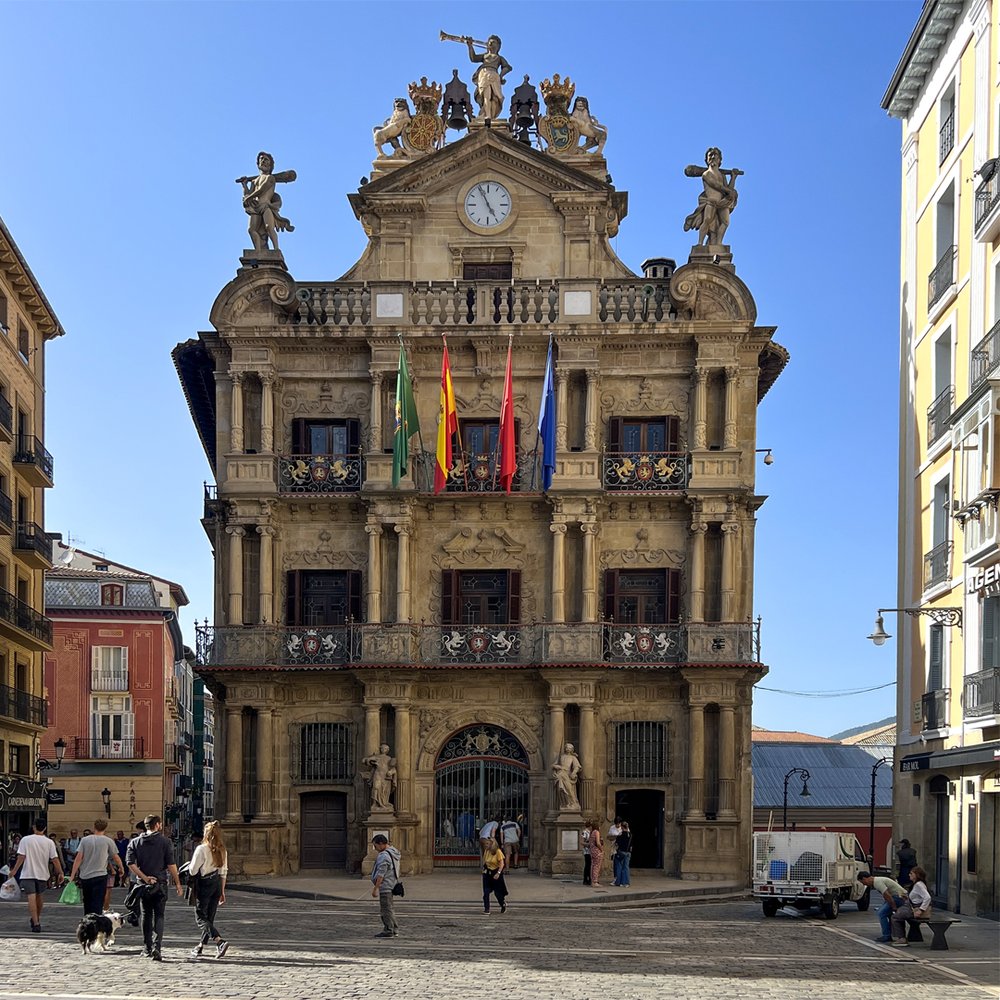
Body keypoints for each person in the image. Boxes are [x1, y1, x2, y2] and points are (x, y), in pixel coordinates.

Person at [126, 814, 183, 961]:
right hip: (160, 883)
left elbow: (130, 863)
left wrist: (144, 877)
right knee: (159, 915)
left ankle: (147, 947)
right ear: (157, 825)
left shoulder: (135, 842)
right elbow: (171, 865)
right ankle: (157, 947)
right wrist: (177, 883)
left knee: (146, 915)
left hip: (143, 884)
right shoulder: (165, 842)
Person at [9, 818, 65, 932]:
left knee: (31, 897)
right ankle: (36, 918)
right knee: (39, 897)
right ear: (44, 828)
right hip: (43, 873)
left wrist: (14, 870)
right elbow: (54, 859)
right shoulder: (49, 842)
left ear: (34, 827)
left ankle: (35, 922)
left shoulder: (26, 840)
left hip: (28, 873)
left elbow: (21, 857)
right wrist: (60, 872)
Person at [237, 151, 297, 252]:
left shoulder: (270, 178)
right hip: (255, 208)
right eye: (261, 159)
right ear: (258, 163)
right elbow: (248, 194)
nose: (263, 161)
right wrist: (244, 185)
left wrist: (249, 197)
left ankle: (276, 249)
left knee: (269, 227)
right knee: (251, 230)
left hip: (265, 206)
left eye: (266, 159)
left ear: (270, 165)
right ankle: (259, 251)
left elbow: (261, 190)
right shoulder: (254, 181)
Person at [683, 147, 741, 246]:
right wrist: (728, 191)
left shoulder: (722, 175)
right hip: (711, 201)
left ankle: (718, 243)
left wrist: (733, 177)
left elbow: (729, 190)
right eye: (710, 155)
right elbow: (716, 185)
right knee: (707, 220)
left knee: (725, 222)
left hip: (722, 203)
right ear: (706, 160)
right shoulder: (706, 173)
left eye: (715, 155)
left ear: (719, 160)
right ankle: (700, 243)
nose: (713, 157)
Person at [188, 821, 229, 960]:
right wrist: (222, 891)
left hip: (204, 883)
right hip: (216, 883)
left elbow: (193, 871)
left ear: (206, 834)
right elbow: (223, 872)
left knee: (200, 917)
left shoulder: (202, 849)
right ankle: (200, 946)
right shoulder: (222, 850)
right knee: (209, 917)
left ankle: (219, 941)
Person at [70, 818, 124, 917]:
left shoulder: (85, 840)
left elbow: (78, 858)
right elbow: (116, 857)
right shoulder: (108, 841)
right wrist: (121, 868)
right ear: (105, 828)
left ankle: (87, 921)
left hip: (85, 876)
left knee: (87, 901)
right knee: (98, 902)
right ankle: (96, 923)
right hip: (100, 875)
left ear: (94, 827)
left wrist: (72, 874)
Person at [463, 35, 512, 121]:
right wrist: (470, 46)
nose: (490, 43)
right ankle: (487, 115)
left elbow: (507, 67)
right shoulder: (485, 56)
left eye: (493, 42)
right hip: (484, 74)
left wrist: (501, 76)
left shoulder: (499, 58)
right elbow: (473, 58)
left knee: (497, 97)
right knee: (487, 95)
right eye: (489, 42)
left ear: (498, 46)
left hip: (494, 75)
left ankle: (491, 114)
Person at [858, 871, 909, 943]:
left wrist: (893, 907)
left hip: (898, 897)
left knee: (881, 913)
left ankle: (886, 935)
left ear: (864, 879)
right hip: (900, 895)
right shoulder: (877, 880)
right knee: (887, 913)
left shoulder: (877, 882)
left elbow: (887, 895)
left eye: (863, 882)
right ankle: (890, 933)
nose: (864, 884)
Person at [891, 865, 932, 947]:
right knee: (899, 912)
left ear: (917, 875)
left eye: (911, 873)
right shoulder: (917, 884)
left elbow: (927, 897)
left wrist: (921, 910)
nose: (909, 875)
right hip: (912, 907)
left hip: (915, 909)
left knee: (895, 917)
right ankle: (907, 936)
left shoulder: (918, 885)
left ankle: (901, 938)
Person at [370, 834, 401, 938]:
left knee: (385, 909)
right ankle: (394, 929)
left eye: (375, 846)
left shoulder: (384, 855)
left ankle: (389, 930)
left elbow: (381, 874)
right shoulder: (393, 852)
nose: (375, 849)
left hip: (386, 885)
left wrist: (376, 888)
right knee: (390, 908)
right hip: (392, 884)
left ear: (381, 844)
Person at [362, 744, 397, 810]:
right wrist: (370, 760)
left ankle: (384, 803)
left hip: (386, 776)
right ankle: (375, 803)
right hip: (377, 775)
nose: (383, 749)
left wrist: (391, 772)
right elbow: (364, 761)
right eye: (382, 748)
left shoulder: (389, 758)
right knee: (376, 788)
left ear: (387, 750)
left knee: (385, 790)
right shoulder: (376, 757)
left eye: (385, 748)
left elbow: (393, 768)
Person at [481, 837, 508, 913]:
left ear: (492, 844)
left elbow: (502, 864)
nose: (485, 845)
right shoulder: (486, 851)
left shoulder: (498, 852)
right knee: (486, 892)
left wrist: (498, 873)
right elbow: (485, 861)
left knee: (498, 893)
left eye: (487, 844)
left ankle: (502, 904)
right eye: (485, 843)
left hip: (496, 872)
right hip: (488, 872)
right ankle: (487, 909)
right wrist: (484, 869)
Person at [551, 743, 582, 810]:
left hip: (568, 775)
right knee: (561, 789)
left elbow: (577, 766)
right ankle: (565, 803)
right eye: (567, 747)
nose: (568, 749)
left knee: (569, 789)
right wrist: (558, 766)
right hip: (561, 773)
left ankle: (573, 803)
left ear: (572, 750)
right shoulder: (561, 756)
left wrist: (573, 773)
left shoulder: (573, 757)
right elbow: (553, 765)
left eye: (570, 748)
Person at [613, 821, 633, 887]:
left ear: (622, 827)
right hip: (628, 853)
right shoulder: (630, 835)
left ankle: (619, 882)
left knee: (619, 867)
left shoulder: (620, 835)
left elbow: (616, 844)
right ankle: (626, 882)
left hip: (621, 852)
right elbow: (631, 845)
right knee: (626, 867)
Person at [588, 821, 605, 887]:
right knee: (597, 866)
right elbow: (598, 843)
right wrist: (601, 849)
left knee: (593, 865)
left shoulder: (591, 832)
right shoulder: (597, 832)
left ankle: (592, 880)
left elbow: (590, 842)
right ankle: (595, 882)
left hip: (592, 850)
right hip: (597, 851)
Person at [607, 816, 623, 886]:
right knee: (615, 864)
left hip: (622, 848)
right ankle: (615, 878)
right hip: (614, 848)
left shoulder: (623, 828)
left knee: (622, 864)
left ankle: (621, 879)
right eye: (616, 824)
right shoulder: (612, 828)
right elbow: (609, 836)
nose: (617, 825)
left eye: (618, 824)